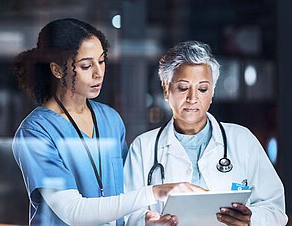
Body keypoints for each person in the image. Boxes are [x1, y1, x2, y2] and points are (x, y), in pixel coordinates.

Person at [11, 19, 208, 226]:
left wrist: (145, 221)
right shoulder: (36, 131)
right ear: (58, 70)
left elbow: (124, 196)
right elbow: (72, 212)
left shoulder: (110, 119)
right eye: (86, 65)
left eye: (102, 61)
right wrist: (156, 191)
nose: (99, 73)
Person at [124, 41, 288, 225]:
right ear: (166, 89)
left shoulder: (242, 140)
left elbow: (276, 210)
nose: (193, 98)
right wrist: (147, 224)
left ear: (212, 92)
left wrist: (250, 220)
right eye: (183, 87)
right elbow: (127, 214)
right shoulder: (143, 147)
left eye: (202, 89)